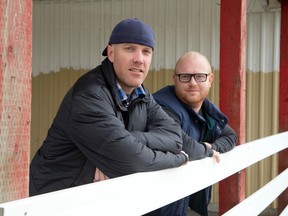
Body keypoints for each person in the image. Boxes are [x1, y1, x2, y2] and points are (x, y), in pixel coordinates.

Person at [29, 18, 189, 196]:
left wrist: (128, 140)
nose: (139, 59)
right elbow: (134, 162)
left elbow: (175, 138)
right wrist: (180, 158)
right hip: (55, 200)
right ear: (111, 53)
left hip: (93, 197)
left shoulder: (141, 94)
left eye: (146, 51)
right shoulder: (90, 95)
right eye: (129, 49)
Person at [147, 51, 237, 216]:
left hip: (179, 200)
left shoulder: (207, 110)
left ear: (210, 79)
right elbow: (181, 143)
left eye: (200, 76)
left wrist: (213, 147)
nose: (193, 83)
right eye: (185, 76)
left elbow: (230, 136)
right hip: (154, 203)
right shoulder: (161, 105)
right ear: (175, 79)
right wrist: (207, 151)